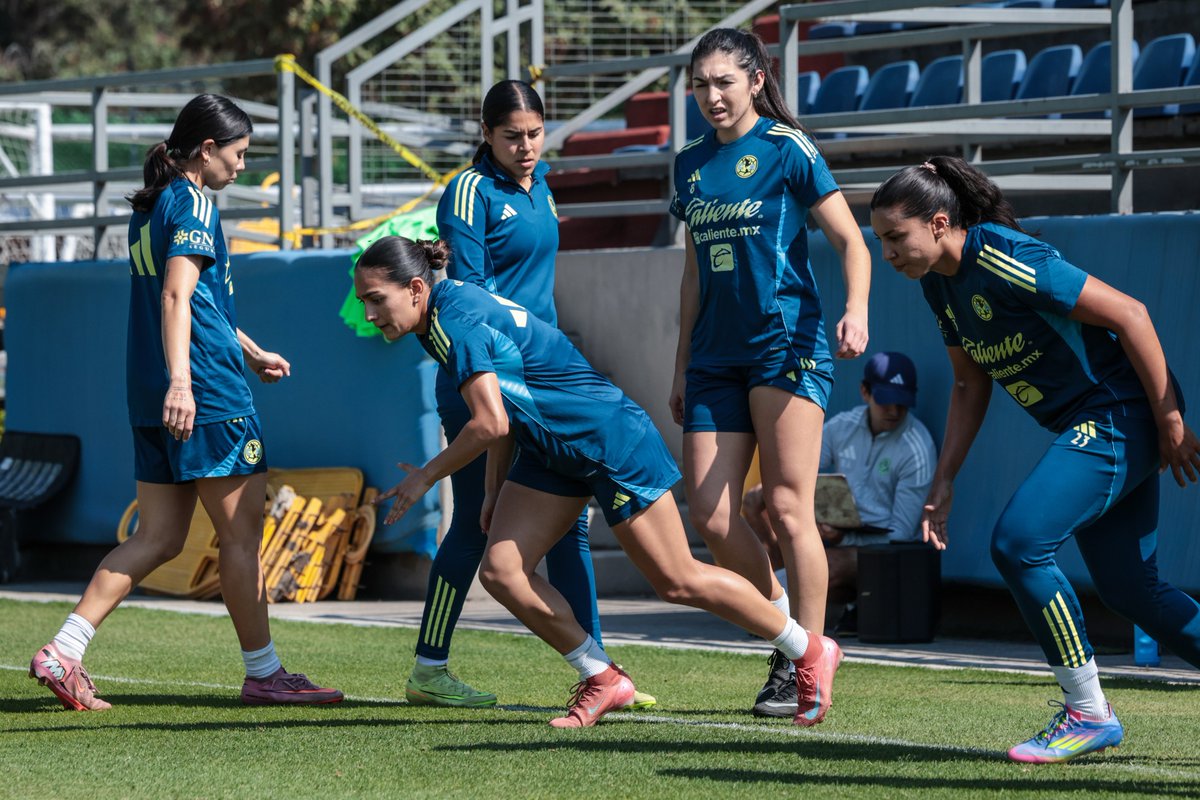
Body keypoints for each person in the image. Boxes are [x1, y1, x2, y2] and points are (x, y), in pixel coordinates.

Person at [353, 236, 844, 728]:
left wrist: (423, 478)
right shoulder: (450, 305)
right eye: (364, 302)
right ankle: (602, 677)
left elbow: (490, 422)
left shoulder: (451, 322)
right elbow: (506, 400)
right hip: (553, 449)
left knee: (678, 580)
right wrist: (494, 487)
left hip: (608, 440)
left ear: (416, 288)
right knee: (502, 571)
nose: (371, 315)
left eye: (377, 300)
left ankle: (807, 649)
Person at [870, 155, 1200, 763]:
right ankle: (1090, 712)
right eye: (881, 241)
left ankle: (1088, 712)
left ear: (939, 223)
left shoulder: (1002, 256)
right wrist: (943, 480)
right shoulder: (938, 286)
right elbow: (970, 385)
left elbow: (1132, 314)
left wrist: (1170, 421)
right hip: (1099, 423)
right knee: (1133, 591)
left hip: (1120, 413)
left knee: (1020, 542)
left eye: (896, 237)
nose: (887, 254)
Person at [28, 94, 341, 710]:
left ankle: (63, 650)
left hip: (153, 391)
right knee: (241, 537)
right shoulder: (193, 201)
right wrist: (185, 382)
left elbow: (199, 305)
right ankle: (265, 673)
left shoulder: (151, 206)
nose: (242, 167)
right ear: (206, 150)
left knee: (160, 536)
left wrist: (247, 350)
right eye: (239, 154)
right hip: (203, 395)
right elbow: (176, 298)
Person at [405, 80, 656, 710]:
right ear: (486, 134)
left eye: (536, 134)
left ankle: (601, 673)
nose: (526, 147)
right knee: (473, 526)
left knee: (569, 529)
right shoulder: (469, 191)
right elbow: (471, 299)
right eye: (512, 136)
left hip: (538, 384)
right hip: (484, 379)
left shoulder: (540, 185)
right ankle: (429, 668)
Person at [668, 27, 871, 718]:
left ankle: (805, 660)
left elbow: (851, 240)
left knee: (787, 508)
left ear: (756, 80)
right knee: (713, 517)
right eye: (701, 85)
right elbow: (693, 270)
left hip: (787, 345)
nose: (712, 96)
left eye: (724, 81)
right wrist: (681, 361)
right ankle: (789, 638)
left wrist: (857, 311)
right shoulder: (689, 164)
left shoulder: (788, 148)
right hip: (714, 357)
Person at [742, 351, 936, 642]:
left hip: (879, 554)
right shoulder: (843, 426)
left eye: (903, 402)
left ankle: (769, 605)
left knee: (824, 566)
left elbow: (900, 538)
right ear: (865, 392)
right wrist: (814, 518)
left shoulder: (917, 447)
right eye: (886, 399)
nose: (894, 410)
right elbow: (796, 473)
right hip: (837, 532)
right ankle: (779, 598)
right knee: (756, 500)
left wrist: (840, 536)